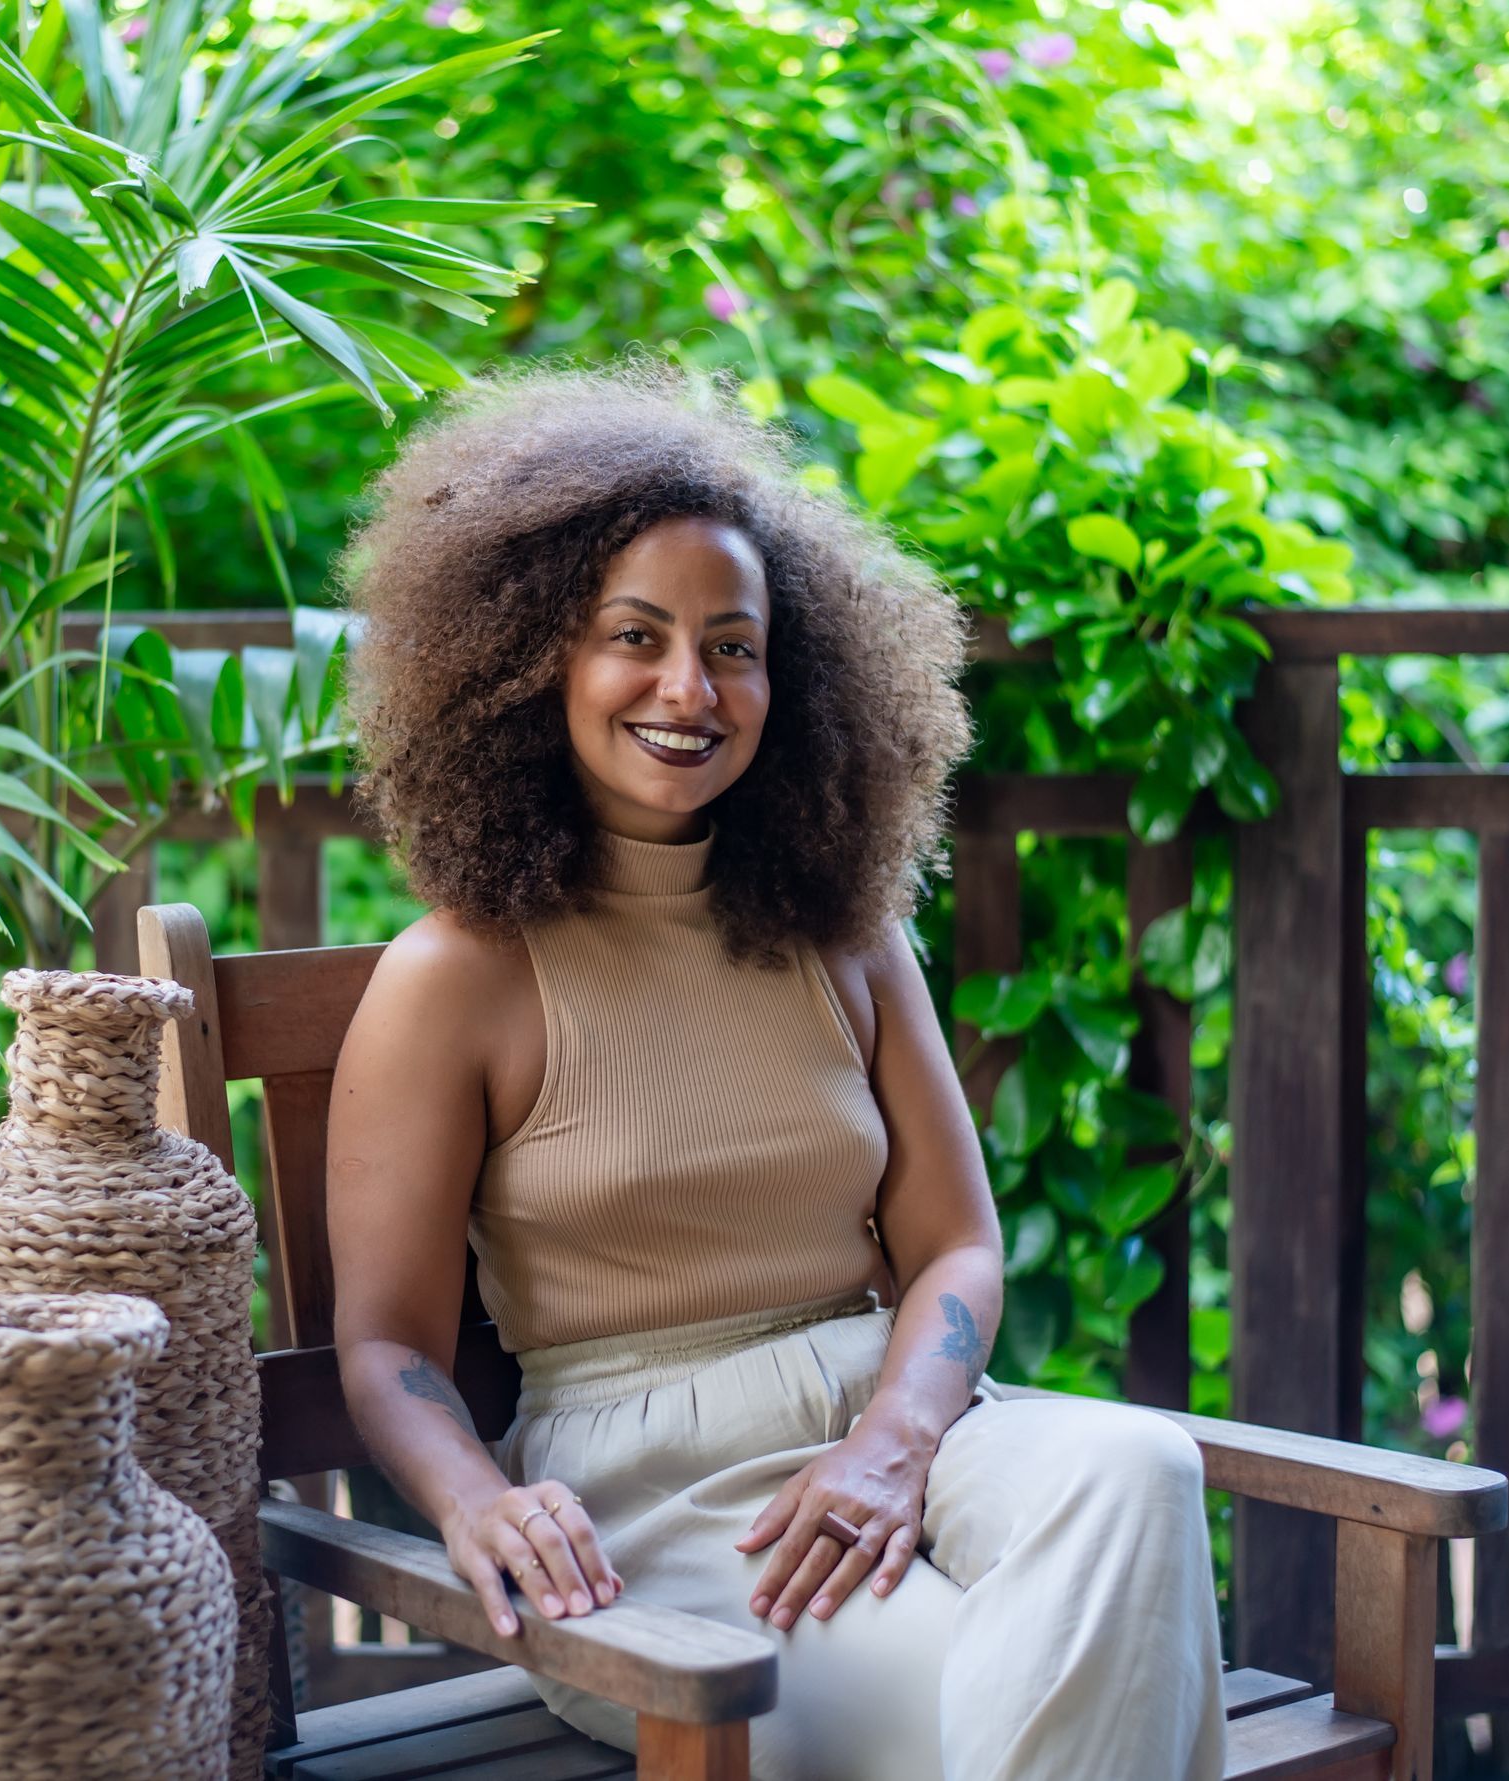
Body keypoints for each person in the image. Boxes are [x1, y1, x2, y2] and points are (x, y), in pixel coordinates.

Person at [324, 353, 1227, 1780]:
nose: (689, 686)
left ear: (784, 678)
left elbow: (957, 1249)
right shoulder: (459, 975)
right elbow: (385, 1350)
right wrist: (473, 1502)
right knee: (994, 1698)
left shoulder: (844, 937)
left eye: (733, 645)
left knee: (1142, 1470)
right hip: (655, 1510)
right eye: (636, 636)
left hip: (901, 1427)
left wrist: (893, 1442)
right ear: (529, 660)